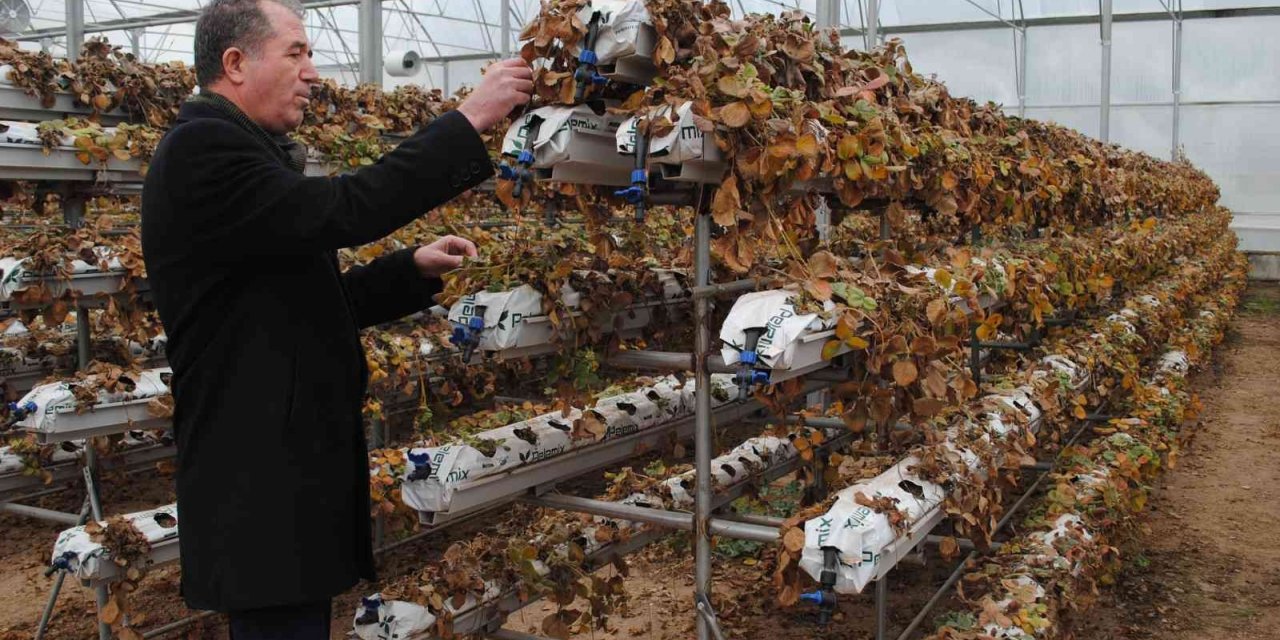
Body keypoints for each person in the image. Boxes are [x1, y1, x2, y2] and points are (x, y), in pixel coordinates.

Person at [139, 0, 532, 635]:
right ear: (235, 64)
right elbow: (345, 209)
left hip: (281, 470)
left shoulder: (244, 152)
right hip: (257, 475)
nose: (313, 71)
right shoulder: (202, 151)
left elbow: (308, 302)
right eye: (296, 52)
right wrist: (469, 119)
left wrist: (410, 271)